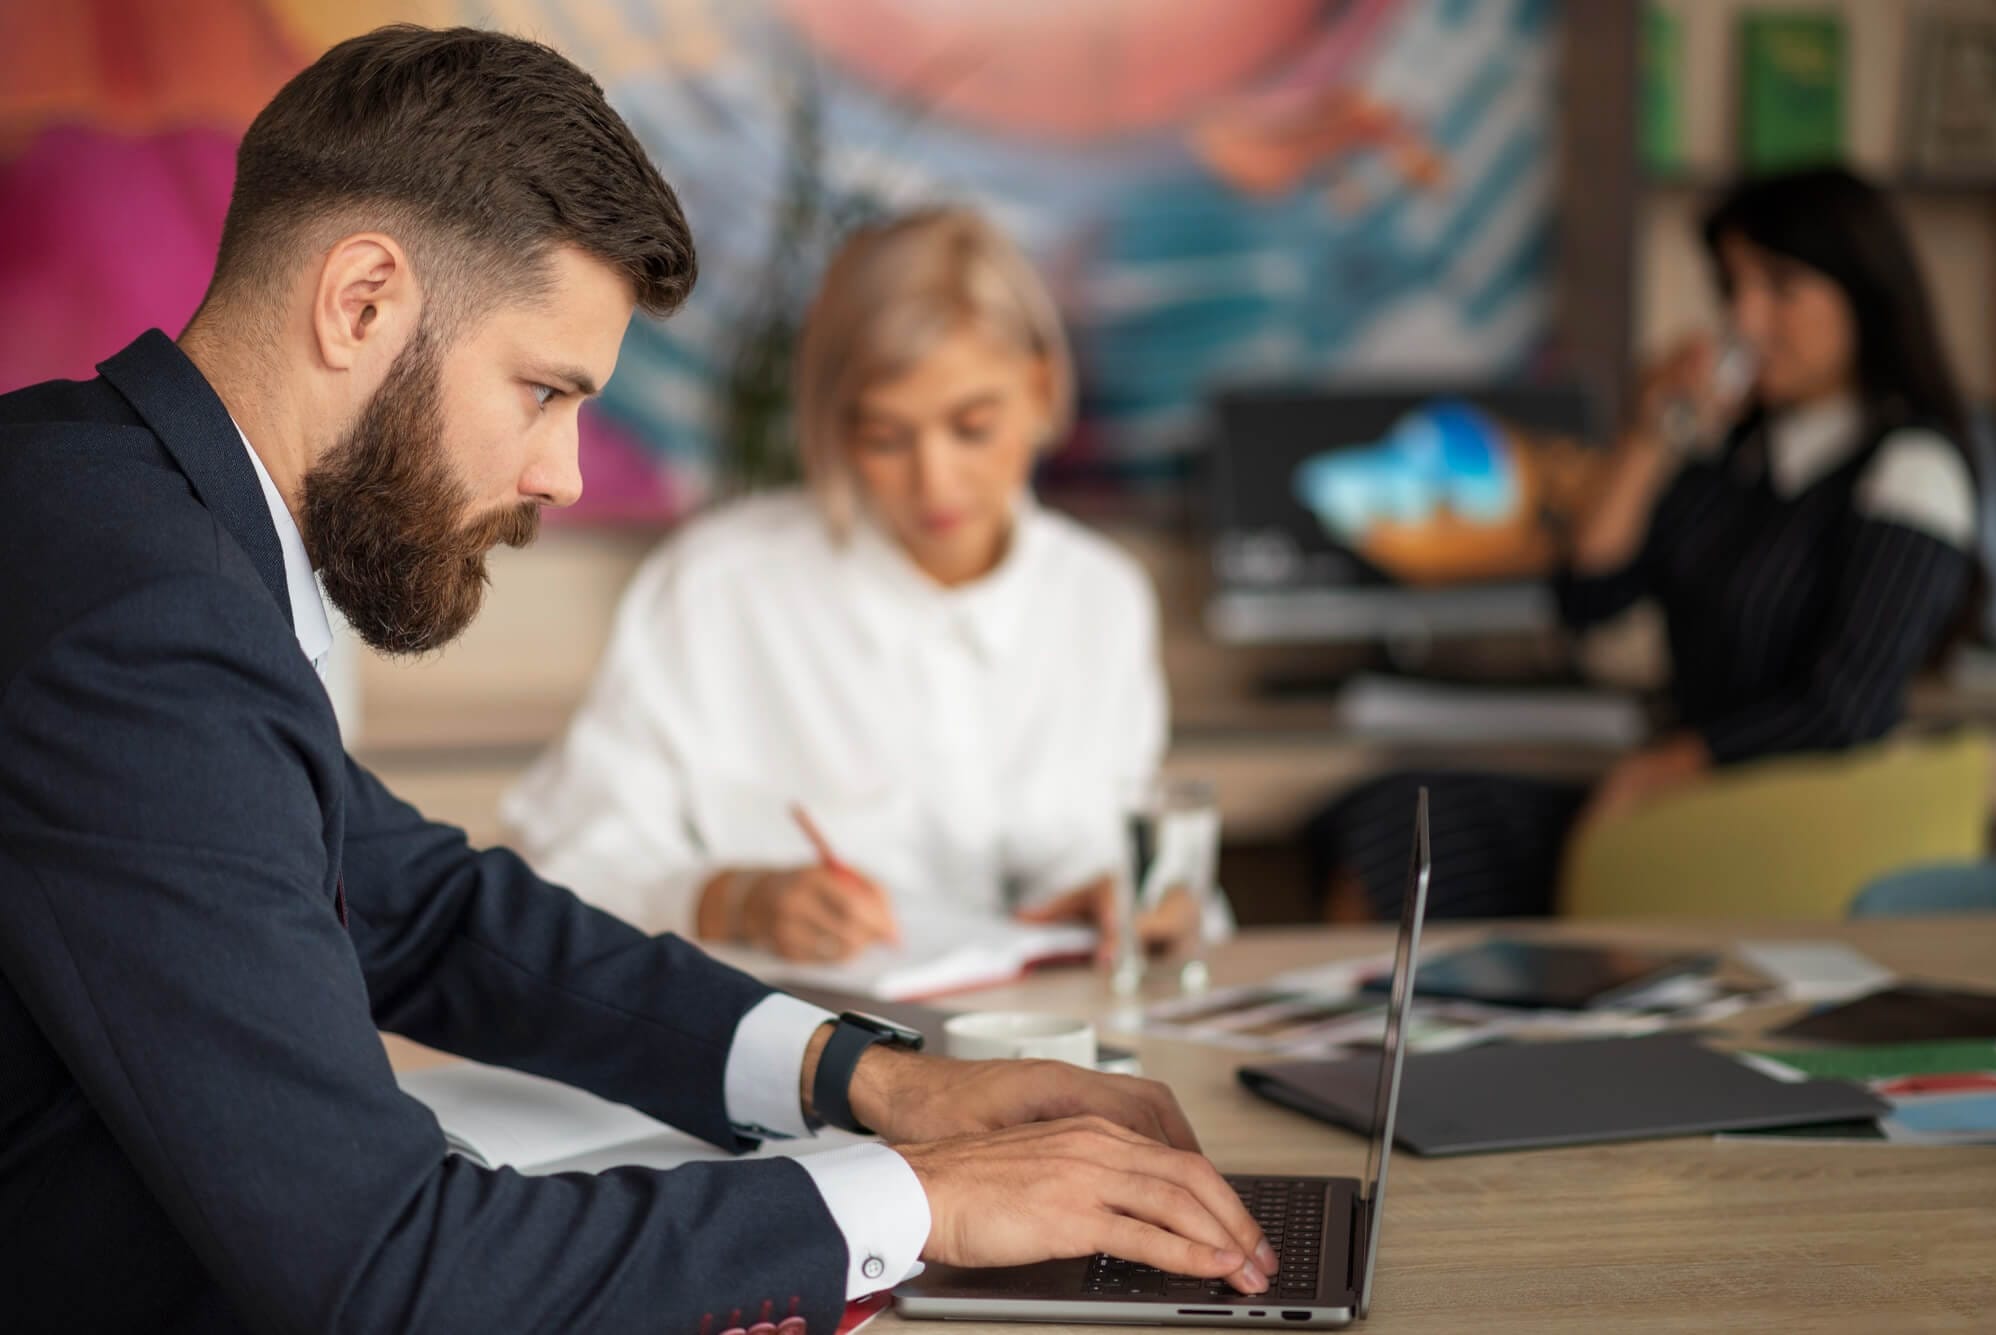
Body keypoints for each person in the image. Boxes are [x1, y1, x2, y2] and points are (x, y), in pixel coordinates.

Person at [0, 27, 1281, 1334]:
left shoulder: (109, 507)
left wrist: (876, 1084)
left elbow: (428, 913)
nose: (562, 474)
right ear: (362, 301)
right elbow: (391, 1264)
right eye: (543, 389)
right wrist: (919, 1197)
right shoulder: (141, 627)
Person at [504, 208, 1204, 962]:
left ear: (1038, 390)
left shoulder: (1101, 598)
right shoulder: (720, 590)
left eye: (972, 427)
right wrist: (736, 899)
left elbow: (1121, 854)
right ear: (835, 426)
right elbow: (561, 859)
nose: (934, 480)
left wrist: (1122, 896)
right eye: (885, 437)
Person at [1312, 166, 1981, 921]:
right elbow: (1586, 598)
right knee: (1393, 817)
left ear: (1864, 296)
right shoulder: (1738, 458)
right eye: (1733, 291)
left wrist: (1665, 766)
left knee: (1414, 831)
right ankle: (1374, 1035)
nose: (1747, 322)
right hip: (1690, 796)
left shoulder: (1910, 470)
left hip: (1782, 819)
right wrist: (1646, 436)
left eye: (1780, 289)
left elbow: (1846, 707)